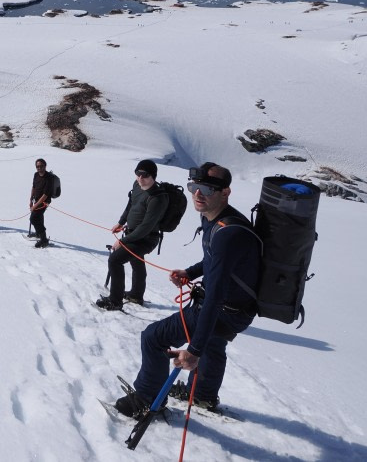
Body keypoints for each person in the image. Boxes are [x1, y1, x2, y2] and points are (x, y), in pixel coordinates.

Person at [114, 163, 261, 419]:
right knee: (214, 342)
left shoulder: (227, 233)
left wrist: (193, 351)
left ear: (226, 192)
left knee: (153, 337)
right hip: (239, 309)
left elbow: (214, 297)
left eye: (207, 188)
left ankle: (147, 399)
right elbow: (215, 261)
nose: (198, 194)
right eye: (194, 187)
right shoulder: (217, 218)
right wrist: (190, 273)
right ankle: (202, 396)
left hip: (224, 309)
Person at [96, 160, 169, 311]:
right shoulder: (137, 185)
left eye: (145, 175)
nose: (140, 178)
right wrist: (121, 222)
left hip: (147, 238)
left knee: (115, 260)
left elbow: (145, 227)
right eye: (138, 174)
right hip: (133, 233)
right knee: (136, 262)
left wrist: (123, 242)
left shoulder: (157, 198)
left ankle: (115, 301)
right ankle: (136, 294)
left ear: (153, 176)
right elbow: (131, 204)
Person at [29, 158, 57, 248]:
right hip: (36, 200)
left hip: (44, 202)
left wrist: (34, 207)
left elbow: (45, 195)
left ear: (45, 166)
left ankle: (43, 240)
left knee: (33, 219)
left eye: (41, 166)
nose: (39, 168)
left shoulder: (49, 178)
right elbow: (33, 187)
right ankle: (39, 234)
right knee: (38, 217)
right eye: (37, 166)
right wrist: (31, 199)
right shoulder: (36, 175)